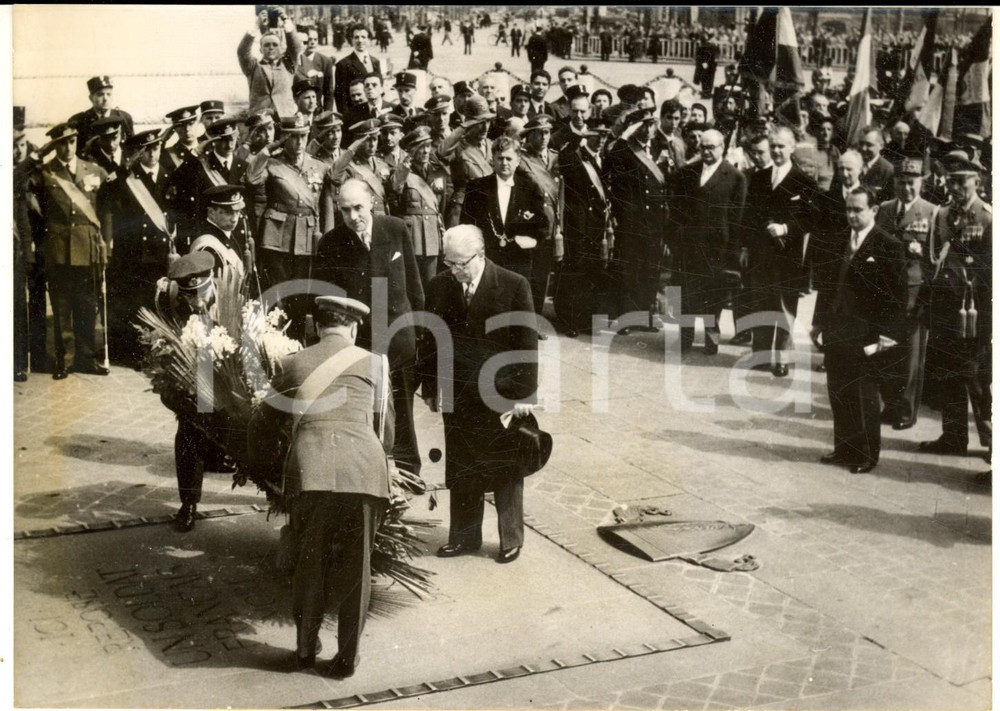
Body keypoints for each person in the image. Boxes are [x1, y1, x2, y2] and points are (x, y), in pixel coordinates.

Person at [250, 294, 393, 677]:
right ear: (354, 327)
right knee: (356, 568)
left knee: (308, 562)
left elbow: (262, 424)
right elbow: (388, 433)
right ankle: (346, 658)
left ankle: (303, 650)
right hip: (364, 472)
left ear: (315, 326)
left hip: (310, 473)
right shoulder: (377, 363)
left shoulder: (292, 363)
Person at [418, 225, 538, 564]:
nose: (454, 272)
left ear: (481, 254)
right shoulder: (440, 285)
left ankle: (510, 538)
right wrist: (430, 386)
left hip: (501, 392)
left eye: (461, 264)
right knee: (462, 462)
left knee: (506, 464)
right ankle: (464, 536)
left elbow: (526, 345)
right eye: (449, 263)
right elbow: (430, 340)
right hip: (458, 391)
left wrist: (524, 396)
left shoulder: (514, 285)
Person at [314, 179, 425, 479]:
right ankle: (367, 471)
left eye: (358, 208)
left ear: (372, 202)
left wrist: (420, 333)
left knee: (402, 406)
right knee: (363, 411)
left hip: (398, 339)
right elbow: (323, 301)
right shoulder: (331, 243)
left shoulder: (395, 229)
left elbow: (415, 287)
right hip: (358, 343)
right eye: (345, 210)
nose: (353, 216)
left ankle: (407, 469)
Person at [810, 187, 906, 474]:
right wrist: (818, 323)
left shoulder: (888, 246)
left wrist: (887, 337)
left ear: (873, 210)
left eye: (858, 210)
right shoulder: (840, 240)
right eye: (848, 209)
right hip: (837, 329)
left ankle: (866, 454)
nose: (851, 215)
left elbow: (897, 298)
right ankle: (844, 449)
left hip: (867, 334)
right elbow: (827, 287)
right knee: (838, 391)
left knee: (864, 394)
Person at [919, 151, 992, 458]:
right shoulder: (941, 215)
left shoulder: (988, 216)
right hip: (947, 309)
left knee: (977, 379)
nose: (956, 187)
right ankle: (953, 437)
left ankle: (991, 445)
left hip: (976, 314)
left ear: (977, 180)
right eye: (951, 180)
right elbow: (930, 260)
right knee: (947, 374)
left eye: (962, 180)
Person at [156, 252, 233, 532]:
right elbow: (163, 348)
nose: (194, 302)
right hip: (192, 377)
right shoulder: (170, 301)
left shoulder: (229, 296)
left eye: (199, 293)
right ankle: (188, 503)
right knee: (189, 432)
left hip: (228, 378)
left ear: (210, 283)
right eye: (189, 296)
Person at [29, 123, 110, 379]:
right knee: (62, 306)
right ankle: (65, 360)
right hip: (58, 249)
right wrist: (36, 157)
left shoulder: (94, 170)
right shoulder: (44, 173)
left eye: (71, 142)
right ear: (54, 145)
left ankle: (87, 358)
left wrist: (107, 242)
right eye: (61, 143)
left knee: (87, 305)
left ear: (76, 142)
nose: (67, 147)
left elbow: (106, 209)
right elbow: (19, 187)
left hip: (87, 248)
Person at [739, 126, 818, 377]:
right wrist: (744, 247)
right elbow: (749, 217)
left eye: (781, 146)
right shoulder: (759, 178)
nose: (776, 150)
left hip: (788, 255)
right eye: (772, 145)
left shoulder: (804, 182)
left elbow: (809, 219)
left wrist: (786, 228)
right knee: (761, 302)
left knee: (784, 306)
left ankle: (781, 358)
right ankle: (761, 355)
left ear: (792, 148)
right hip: (761, 252)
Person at [245, 116, 326, 341]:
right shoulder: (272, 163)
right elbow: (252, 179)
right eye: (293, 137)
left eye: (303, 136)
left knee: (300, 295)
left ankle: (297, 343)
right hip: (277, 237)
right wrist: (266, 151)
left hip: (306, 237)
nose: (299, 142)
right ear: (284, 138)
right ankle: (273, 348)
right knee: (276, 295)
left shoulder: (317, 165)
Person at [872, 157, 938, 431]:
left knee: (911, 358)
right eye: (901, 183)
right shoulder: (885, 209)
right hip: (887, 293)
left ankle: (906, 412)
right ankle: (890, 405)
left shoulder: (932, 213)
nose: (906, 189)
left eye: (911, 184)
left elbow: (934, 263)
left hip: (914, 294)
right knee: (887, 352)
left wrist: (926, 301)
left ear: (921, 183)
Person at [672, 129, 747, 355]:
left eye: (711, 147)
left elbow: (737, 218)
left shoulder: (735, 177)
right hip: (688, 245)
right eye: (702, 147)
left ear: (722, 148)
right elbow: (677, 208)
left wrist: (733, 252)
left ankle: (710, 337)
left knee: (712, 294)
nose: (705, 151)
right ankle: (685, 337)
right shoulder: (687, 173)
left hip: (717, 248)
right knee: (686, 292)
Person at [102, 129, 173, 367]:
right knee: (136, 302)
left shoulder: (168, 176)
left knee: (158, 302)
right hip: (134, 253)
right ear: (140, 153)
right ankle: (137, 352)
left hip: (160, 252)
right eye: (147, 149)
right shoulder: (127, 178)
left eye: (156, 148)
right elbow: (105, 194)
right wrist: (125, 166)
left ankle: (159, 351)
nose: (153, 154)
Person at [605, 109, 670, 332]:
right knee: (629, 270)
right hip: (632, 220)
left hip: (654, 222)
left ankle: (644, 315)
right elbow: (612, 161)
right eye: (645, 125)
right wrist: (625, 135)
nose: (650, 129)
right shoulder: (625, 150)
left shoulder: (658, 150)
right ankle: (624, 317)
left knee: (649, 270)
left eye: (652, 124)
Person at [460, 135, 549, 282]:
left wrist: (531, 241)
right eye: (500, 158)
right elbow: (466, 224)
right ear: (492, 160)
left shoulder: (530, 188)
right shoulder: (477, 188)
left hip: (519, 261)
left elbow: (542, 226)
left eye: (509, 159)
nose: (504, 163)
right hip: (486, 260)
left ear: (517, 161)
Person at [554, 121, 613, 336]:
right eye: (598, 135)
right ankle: (568, 320)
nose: (602, 140)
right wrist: (579, 137)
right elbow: (567, 157)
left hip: (595, 224)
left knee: (591, 272)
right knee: (574, 272)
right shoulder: (574, 155)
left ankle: (586, 319)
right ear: (587, 135)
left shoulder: (597, 159)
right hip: (577, 223)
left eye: (606, 136)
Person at [165, 117, 249, 251]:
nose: (229, 145)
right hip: (211, 234)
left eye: (232, 138)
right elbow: (177, 179)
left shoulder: (243, 166)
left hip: (237, 233)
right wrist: (195, 153)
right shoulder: (200, 166)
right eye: (223, 140)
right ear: (213, 140)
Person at [392, 126, 452, 287]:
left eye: (428, 146)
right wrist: (404, 166)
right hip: (413, 235)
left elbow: (443, 206)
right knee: (413, 284)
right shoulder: (403, 171)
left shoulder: (438, 171)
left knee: (431, 283)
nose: (426, 151)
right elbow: (395, 188)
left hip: (433, 236)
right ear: (411, 150)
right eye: (421, 147)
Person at [516, 116, 563, 318]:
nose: (544, 137)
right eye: (539, 133)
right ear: (529, 135)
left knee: (542, 277)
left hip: (552, 224)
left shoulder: (555, 157)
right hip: (531, 225)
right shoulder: (521, 158)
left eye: (547, 132)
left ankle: (535, 320)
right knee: (527, 276)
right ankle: (524, 322)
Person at [238, 8, 303, 117]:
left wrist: (286, 20)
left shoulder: (288, 65)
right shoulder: (253, 67)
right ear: (260, 49)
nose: (271, 48)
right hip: (261, 118)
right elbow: (242, 51)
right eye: (266, 45)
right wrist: (257, 25)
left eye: (274, 44)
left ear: (281, 48)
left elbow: (295, 47)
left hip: (285, 117)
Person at [442, 96, 495, 226]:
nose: (485, 127)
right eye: (479, 122)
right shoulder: (458, 146)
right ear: (469, 123)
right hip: (463, 211)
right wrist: (463, 127)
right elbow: (442, 152)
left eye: (487, 121)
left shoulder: (492, 146)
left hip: (489, 208)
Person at [189, 185, 253, 280]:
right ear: (211, 213)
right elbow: (204, 292)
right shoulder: (206, 246)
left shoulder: (226, 234)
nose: (234, 219)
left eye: (237, 212)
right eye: (228, 212)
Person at [68, 76, 134, 156]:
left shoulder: (124, 117)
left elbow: (131, 148)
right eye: (100, 94)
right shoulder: (79, 120)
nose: (105, 98)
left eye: (109, 94)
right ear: (91, 98)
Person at [334, 25, 382, 116]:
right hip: (355, 113)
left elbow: (380, 89)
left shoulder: (375, 61)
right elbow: (340, 95)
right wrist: (346, 118)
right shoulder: (343, 64)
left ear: (368, 39)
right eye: (356, 37)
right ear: (352, 40)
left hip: (375, 112)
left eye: (363, 37)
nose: (360, 41)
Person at [296, 26, 335, 112]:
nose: (312, 43)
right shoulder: (295, 60)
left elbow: (328, 93)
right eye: (309, 40)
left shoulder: (325, 61)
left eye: (315, 39)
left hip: (317, 112)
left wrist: (327, 114)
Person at [159, 105, 202, 177]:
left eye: (191, 124)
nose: (187, 129)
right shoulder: (167, 155)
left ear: (197, 124)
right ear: (175, 128)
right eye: (182, 126)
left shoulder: (208, 148)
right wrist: (162, 140)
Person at [857, 126, 895, 204]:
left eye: (869, 145)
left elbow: (890, 204)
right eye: (861, 144)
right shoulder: (850, 163)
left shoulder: (888, 170)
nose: (863, 148)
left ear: (881, 146)